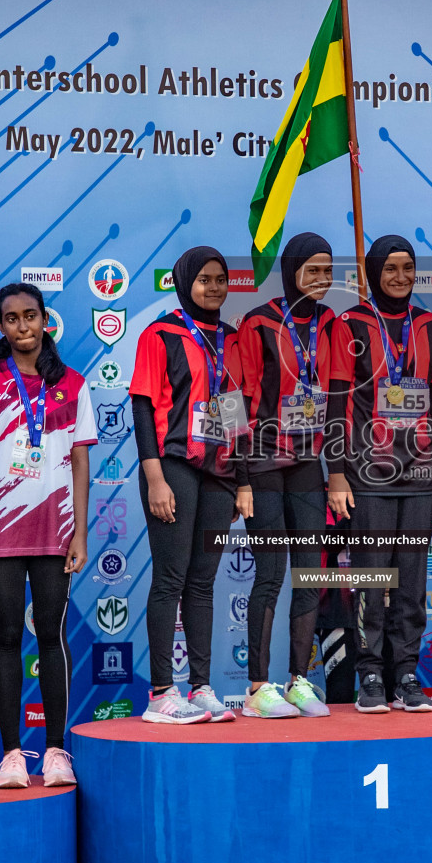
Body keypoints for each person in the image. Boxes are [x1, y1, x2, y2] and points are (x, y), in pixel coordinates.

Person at [0, 282, 95, 787]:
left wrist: (80, 532)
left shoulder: (73, 385)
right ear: (1, 326)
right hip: (0, 531)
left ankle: (57, 750)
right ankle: (13, 753)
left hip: (55, 530)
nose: (22, 326)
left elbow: (81, 463)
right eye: (11, 318)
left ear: (45, 321)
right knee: (8, 637)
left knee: (53, 636)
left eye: (30, 316)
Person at [130, 246, 252, 723]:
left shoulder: (232, 339)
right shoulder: (160, 333)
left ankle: (200, 687)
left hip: (220, 472)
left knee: (203, 585)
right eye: (204, 279)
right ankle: (162, 693)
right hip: (174, 467)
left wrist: (242, 481)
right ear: (184, 282)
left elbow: (237, 414)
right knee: (170, 580)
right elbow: (143, 407)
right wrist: (154, 476)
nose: (214, 286)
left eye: (221, 278)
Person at [326, 234, 432, 713]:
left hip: (420, 475)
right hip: (367, 473)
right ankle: (371, 672)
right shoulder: (349, 324)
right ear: (373, 273)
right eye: (390, 268)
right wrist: (336, 472)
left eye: (408, 267)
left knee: (411, 581)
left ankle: (407, 672)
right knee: (373, 579)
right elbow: (336, 399)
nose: (400, 277)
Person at [235, 232, 334, 718]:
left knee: (310, 575)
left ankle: (298, 680)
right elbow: (233, 399)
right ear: (291, 269)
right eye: (312, 269)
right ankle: (257, 688)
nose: (321, 279)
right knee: (271, 574)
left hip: (308, 466)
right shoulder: (258, 324)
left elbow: (335, 395)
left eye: (328, 270)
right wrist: (241, 478)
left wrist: (334, 472)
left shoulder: (330, 322)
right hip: (263, 464)